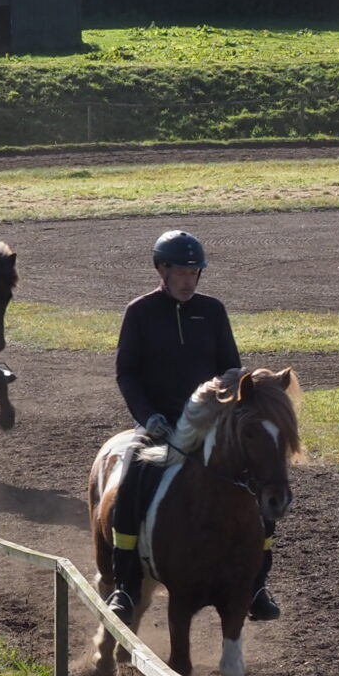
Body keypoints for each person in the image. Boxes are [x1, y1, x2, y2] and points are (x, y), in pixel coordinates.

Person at [106, 229, 281, 623]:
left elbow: (231, 369)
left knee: (260, 479)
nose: (188, 281)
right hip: (159, 425)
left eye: (193, 273)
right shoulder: (139, 312)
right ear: (161, 270)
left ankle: (257, 585)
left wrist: (232, 407)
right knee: (132, 481)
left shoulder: (213, 311)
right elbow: (126, 374)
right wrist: (148, 417)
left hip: (209, 425)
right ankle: (126, 584)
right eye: (181, 273)